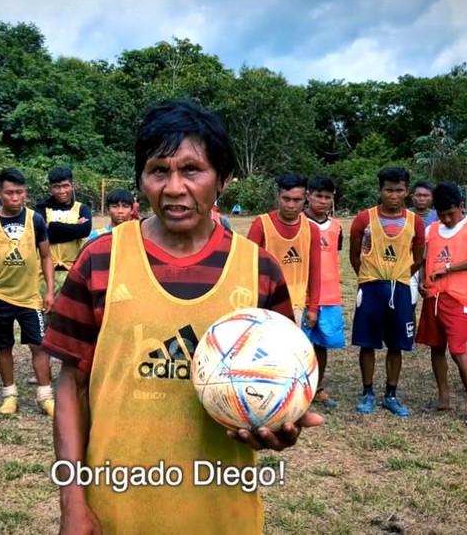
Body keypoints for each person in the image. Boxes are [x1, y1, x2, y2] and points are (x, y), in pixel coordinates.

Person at [44, 99, 322, 534]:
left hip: (222, 514)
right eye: (159, 170)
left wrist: (280, 426)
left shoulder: (260, 271)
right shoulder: (100, 260)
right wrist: (72, 502)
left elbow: (284, 385)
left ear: (223, 178)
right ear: (141, 180)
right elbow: (70, 385)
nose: (174, 187)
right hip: (114, 508)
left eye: (192, 170)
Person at [0, 168, 56, 418]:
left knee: (39, 345)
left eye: (19, 192)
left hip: (30, 297)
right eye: (9, 193)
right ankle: (9, 395)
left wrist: (49, 291)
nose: (15, 197)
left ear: (26, 193)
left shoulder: (35, 220)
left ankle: (45, 396)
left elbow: (46, 257)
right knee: (4, 346)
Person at [350, 167, 426, 417]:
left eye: (399, 190)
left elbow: (418, 258)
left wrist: (400, 275)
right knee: (367, 342)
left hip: (400, 287)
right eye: (389, 190)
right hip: (371, 286)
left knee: (397, 343)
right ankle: (367, 392)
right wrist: (369, 278)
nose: (394, 195)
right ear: (380, 190)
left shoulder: (415, 222)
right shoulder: (364, 219)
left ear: (407, 191)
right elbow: (354, 256)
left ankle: (391, 394)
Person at [415, 183, 467, 427]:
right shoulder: (432, 229)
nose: (446, 219)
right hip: (433, 298)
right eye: (441, 214)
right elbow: (425, 260)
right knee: (436, 348)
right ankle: (443, 399)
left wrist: (449, 268)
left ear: (461, 206)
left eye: (451, 214)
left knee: (458, 351)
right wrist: (422, 282)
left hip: (459, 299)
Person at [247, 173, 321, 328]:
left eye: (297, 200)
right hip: (264, 303)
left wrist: (314, 307)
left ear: (305, 198)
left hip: (295, 305)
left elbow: (315, 270)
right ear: (278, 197)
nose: (291, 205)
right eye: (286, 199)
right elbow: (246, 267)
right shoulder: (261, 225)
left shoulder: (311, 229)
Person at [301, 175, 346, 409]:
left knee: (322, 343)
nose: (322, 201)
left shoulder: (337, 227)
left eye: (327, 197)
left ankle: (317, 387)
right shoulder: (297, 222)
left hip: (329, 295)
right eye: (318, 196)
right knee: (298, 343)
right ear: (308, 195)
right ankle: (295, 388)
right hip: (302, 294)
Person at [34, 167, 92, 299]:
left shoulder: (82, 208)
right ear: (51, 188)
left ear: (72, 186)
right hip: (45, 275)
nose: (61, 191)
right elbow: (40, 235)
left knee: (73, 310)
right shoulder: (42, 207)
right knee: (46, 310)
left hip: (74, 272)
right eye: (56, 187)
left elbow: (84, 230)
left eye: (65, 186)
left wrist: (53, 226)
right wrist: (74, 229)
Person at [409, 180, 437, 307]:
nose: (422, 198)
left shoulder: (438, 216)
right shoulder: (404, 215)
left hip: (432, 265)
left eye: (426, 195)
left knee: (433, 305)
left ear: (432, 198)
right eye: (418, 195)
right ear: (412, 197)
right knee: (408, 305)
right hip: (410, 263)